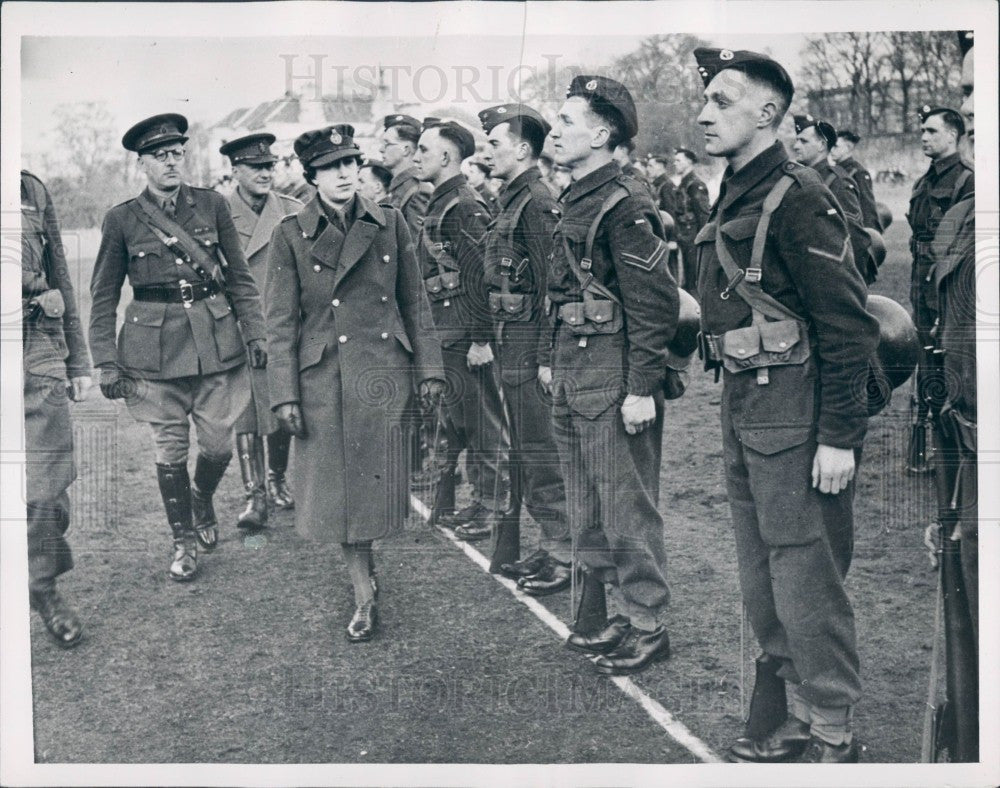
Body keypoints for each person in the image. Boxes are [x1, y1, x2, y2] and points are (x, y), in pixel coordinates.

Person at [693, 47, 879, 762]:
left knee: (805, 575)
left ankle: (833, 729)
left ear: (767, 112)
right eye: (706, 100)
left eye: (723, 100)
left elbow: (847, 327)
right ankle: (796, 708)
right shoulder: (735, 188)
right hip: (746, 408)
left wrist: (838, 436)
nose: (706, 114)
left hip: (798, 417)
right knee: (761, 572)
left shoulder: (800, 195)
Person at [265, 124, 445, 642]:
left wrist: (430, 369)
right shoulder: (290, 235)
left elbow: (416, 303)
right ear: (312, 176)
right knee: (341, 497)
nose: (343, 175)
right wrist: (284, 393)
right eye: (330, 167)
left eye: (349, 164)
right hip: (324, 381)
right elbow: (280, 324)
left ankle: (366, 570)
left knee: (374, 491)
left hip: (383, 374)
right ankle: (364, 594)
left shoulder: (388, 224)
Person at [89, 113, 267, 581]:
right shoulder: (122, 219)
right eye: (160, 156)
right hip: (152, 355)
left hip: (215, 345)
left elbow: (241, 280)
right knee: (170, 448)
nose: (171, 163)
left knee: (216, 445)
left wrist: (257, 333)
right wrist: (105, 361)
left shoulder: (211, 206)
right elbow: (104, 296)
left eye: (177, 154)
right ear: (142, 164)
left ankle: (202, 496)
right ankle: (183, 540)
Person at [544, 75, 679, 676]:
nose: (555, 129)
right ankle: (616, 615)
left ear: (600, 134)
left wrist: (641, 389)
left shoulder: (627, 203)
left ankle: (650, 624)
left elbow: (654, 305)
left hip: (615, 379)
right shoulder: (576, 195)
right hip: (576, 376)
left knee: (626, 509)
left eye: (568, 121)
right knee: (588, 506)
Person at [477, 103, 573, 594]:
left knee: (541, 453)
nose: (486, 151)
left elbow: (552, 288)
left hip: (528, 348)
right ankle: (553, 544)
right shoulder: (511, 199)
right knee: (528, 452)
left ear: (521, 148)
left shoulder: (535, 202)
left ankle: (565, 552)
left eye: (494, 143)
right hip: (509, 341)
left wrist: (543, 359)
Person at [921, 28, 978, 763]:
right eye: (967, 93)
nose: (970, 112)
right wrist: (954, 497)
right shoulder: (967, 212)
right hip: (964, 455)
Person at [21, 171, 93, 647]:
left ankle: (41, 585)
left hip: (36, 353)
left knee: (47, 488)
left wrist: (79, 359)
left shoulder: (29, 189)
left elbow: (62, 276)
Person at [220, 133, 303, 529]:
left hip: (284, 328)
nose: (265, 173)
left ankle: (277, 478)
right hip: (238, 328)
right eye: (256, 168)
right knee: (246, 413)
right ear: (235, 171)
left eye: (269, 166)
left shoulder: (292, 211)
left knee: (281, 404)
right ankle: (254, 495)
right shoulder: (216, 214)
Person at [905, 105, 974, 473]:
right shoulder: (922, 182)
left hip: (948, 290)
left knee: (953, 371)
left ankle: (962, 457)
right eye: (923, 131)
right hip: (921, 287)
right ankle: (938, 451)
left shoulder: (967, 181)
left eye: (932, 131)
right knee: (928, 368)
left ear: (953, 135)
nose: (924, 137)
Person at [791, 116, 876, 284]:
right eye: (796, 141)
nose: (795, 146)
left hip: (830, 279)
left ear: (822, 145)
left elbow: (855, 240)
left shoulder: (837, 182)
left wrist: (852, 287)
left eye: (803, 141)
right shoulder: (799, 180)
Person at [378, 114, 430, 237]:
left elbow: (416, 248)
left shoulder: (416, 191)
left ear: (405, 150)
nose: (381, 149)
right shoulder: (402, 186)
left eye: (387, 143)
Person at [672, 148, 711, 293]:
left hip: (693, 238)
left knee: (693, 278)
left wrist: (702, 242)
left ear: (689, 162)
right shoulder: (684, 183)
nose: (675, 164)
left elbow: (703, 215)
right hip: (684, 237)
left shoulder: (694, 185)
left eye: (678, 160)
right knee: (686, 278)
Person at [830, 130, 883, 232]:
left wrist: (871, 236)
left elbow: (867, 207)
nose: (831, 150)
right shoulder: (835, 170)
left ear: (848, 148)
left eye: (836, 146)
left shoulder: (858, 172)